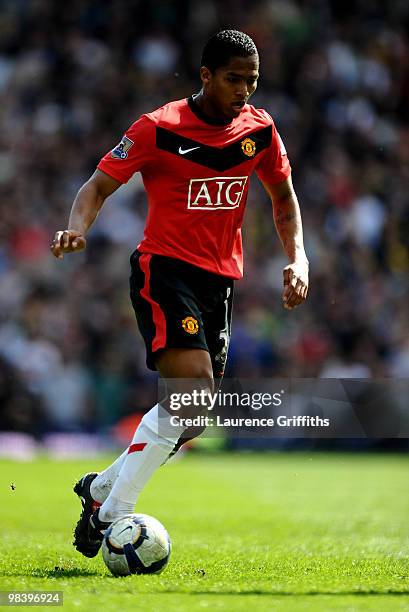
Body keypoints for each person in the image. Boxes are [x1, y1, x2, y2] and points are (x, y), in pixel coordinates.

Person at [51, 29, 309, 558]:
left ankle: (100, 487)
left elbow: (283, 197)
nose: (244, 91)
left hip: (220, 280)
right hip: (165, 269)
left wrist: (298, 256)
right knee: (189, 396)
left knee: (192, 419)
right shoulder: (158, 127)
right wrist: (77, 227)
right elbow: (97, 185)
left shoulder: (259, 130)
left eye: (252, 81)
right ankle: (112, 513)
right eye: (234, 79)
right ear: (206, 76)